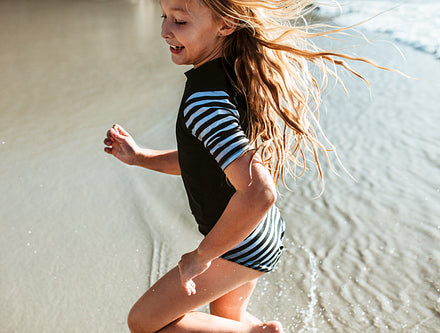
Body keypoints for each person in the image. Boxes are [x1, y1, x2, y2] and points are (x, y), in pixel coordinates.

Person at [104, 0, 387, 331]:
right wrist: (140, 157)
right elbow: (205, 162)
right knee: (227, 321)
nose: (165, 30)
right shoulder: (233, 71)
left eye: (179, 21)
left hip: (241, 243)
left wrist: (202, 256)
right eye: (164, 17)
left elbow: (258, 193)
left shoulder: (205, 102)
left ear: (225, 25)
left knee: (145, 322)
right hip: (259, 233)